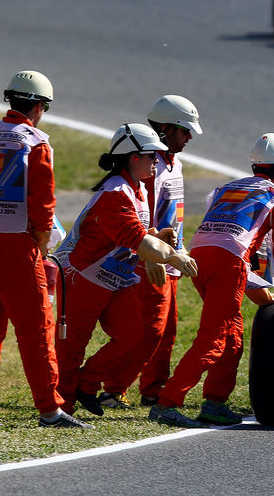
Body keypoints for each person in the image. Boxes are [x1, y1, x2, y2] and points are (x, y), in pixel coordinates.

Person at [149, 133, 274, 428]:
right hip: (228, 263)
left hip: (200, 256)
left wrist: (263, 296)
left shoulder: (227, 187)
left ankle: (215, 402)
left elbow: (233, 242)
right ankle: (167, 403)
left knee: (232, 334)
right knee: (214, 338)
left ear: (255, 167)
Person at [0, 70, 92, 429]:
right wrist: (41, 240)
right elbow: (43, 203)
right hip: (15, 244)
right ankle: (50, 410)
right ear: (39, 106)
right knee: (36, 328)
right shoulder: (35, 142)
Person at [53, 123, 198, 417]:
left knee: (133, 336)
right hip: (81, 277)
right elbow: (136, 239)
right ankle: (60, 409)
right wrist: (172, 256)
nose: (157, 161)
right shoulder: (116, 194)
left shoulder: (135, 189)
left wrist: (159, 237)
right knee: (72, 348)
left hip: (112, 278)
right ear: (134, 158)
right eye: (152, 156)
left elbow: (138, 234)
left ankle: (86, 384)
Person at [96, 95, 202, 410]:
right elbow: (140, 216)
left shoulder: (174, 162)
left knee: (166, 332)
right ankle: (113, 388)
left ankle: (152, 390)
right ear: (167, 129)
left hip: (169, 258)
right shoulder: (150, 165)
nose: (190, 138)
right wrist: (148, 256)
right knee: (149, 331)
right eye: (185, 131)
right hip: (151, 260)